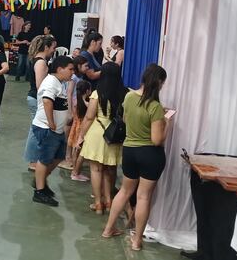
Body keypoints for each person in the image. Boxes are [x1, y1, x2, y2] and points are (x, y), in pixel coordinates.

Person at [103, 64, 168, 251]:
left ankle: (108, 229)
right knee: (143, 197)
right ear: (160, 82)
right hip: (150, 154)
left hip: (129, 151)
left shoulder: (129, 97)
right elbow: (157, 140)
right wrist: (167, 124)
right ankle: (137, 240)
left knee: (124, 191)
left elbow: (124, 120)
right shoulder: (155, 107)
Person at [77, 62, 127, 215]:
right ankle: (110, 201)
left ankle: (98, 203)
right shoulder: (125, 93)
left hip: (98, 133)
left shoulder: (98, 94)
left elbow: (89, 117)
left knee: (96, 169)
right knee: (110, 169)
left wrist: (81, 135)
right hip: (115, 135)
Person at [31, 56, 74, 207]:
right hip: (47, 128)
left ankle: (39, 180)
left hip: (56, 130)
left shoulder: (59, 83)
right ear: (60, 69)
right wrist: (51, 123)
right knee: (45, 159)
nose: (72, 73)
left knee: (58, 156)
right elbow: (47, 101)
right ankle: (39, 191)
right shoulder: (51, 82)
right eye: (70, 69)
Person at [23, 35, 57, 171]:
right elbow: (40, 85)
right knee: (36, 130)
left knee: (37, 129)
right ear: (46, 47)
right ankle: (32, 160)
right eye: (53, 48)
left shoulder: (39, 60)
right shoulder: (40, 62)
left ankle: (34, 159)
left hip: (36, 98)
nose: (54, 50)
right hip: (37, 99)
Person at [68, 80, 91, 182]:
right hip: (82, 128)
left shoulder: (74, 101)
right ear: (87, 91)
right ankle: (75, 173)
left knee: (75, 150)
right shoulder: (87, 104)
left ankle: (74, 170)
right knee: (80, 151)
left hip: (75, 126)